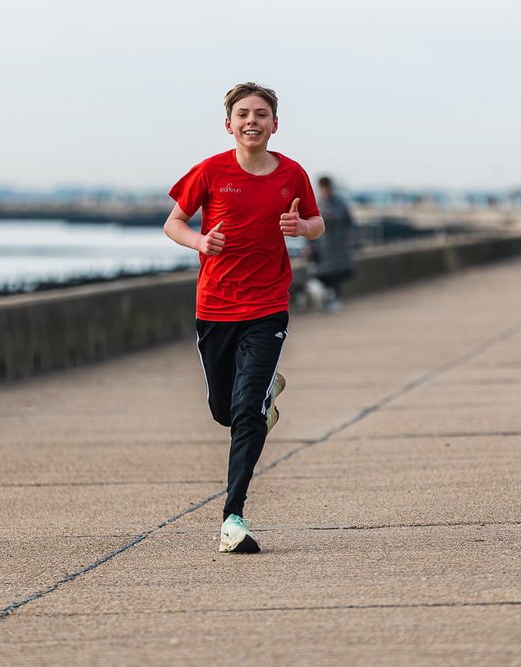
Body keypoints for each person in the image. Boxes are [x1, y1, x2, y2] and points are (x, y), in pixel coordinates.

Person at [163, 82, 325, 553]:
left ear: (275, 124)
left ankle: (233, 516)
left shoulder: (292, 174)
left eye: (261, 114)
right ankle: (265, 394)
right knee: (223, 412)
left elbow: (317, 224)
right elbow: (173, 222)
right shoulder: (210, 171)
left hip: (268, 306)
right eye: (242, 114)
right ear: (229, 123)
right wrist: (198, 242)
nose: (251, 121)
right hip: (214, 306)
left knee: (246, 414)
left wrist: (301, 227)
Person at [305, 176, 356, 312]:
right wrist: (309, 246)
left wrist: (350, 237)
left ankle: (334, 301)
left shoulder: (340, 204)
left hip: (338, 248)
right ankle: (326, 301)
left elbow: (350, 224)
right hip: (322, 249)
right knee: (321, 277)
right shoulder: (316, 204)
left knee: (336, 277)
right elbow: (307, 228)